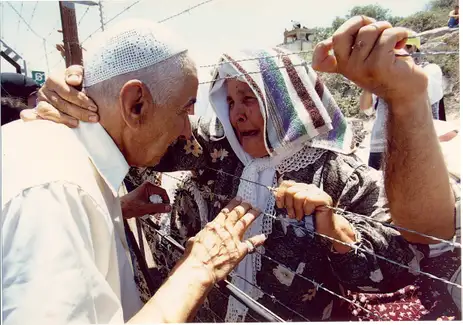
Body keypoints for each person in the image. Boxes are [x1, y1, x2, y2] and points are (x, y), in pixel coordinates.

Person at [26, 17, 460, 321]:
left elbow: (404, 265)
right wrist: (79, 101)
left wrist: (334, 228)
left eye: (249, 98)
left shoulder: (339, 174)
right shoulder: (216, 156)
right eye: (229, 101)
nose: (236, 115)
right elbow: (137, 133)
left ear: (283, 98)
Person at [2, 20, 268, 324]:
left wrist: (116, 209)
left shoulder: (56, 157)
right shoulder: (55, 195)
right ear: (135, 105)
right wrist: (199, 268)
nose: (186, 132)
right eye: (184, 110)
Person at [359, 31, 446, 169]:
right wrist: (370, 81)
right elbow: (366, 110)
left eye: (407, 46)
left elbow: (427, 95)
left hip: (416, 144)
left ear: (415, 49)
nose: (400, 51)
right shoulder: (383, 76)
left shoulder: (430, 69)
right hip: (380, 145)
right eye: (394, 48)